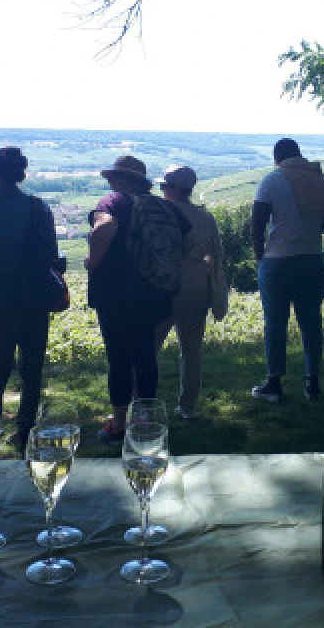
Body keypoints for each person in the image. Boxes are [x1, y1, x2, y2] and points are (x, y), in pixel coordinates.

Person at [0, 147, 62, 453]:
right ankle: (25, 430)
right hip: (35, 300)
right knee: (32, 368)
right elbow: (52, 255)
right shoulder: (39, 208)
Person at [87, 156, 189, 442]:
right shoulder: (164, 206)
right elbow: (186, 240)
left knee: (119, 358)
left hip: (116, 294)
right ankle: (145, 419)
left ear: (121, 179)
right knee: (145, 356)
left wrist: (93, 261)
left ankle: (119, 424)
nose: (109, 182)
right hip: (155, 293)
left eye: (113, 177)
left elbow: (104, 227)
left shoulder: (114, 201)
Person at [250, 138, 324, 403]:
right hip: (313, 258)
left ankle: (274, 383)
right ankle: (312, 383)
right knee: (311, 322)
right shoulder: (321, 180)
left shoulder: (271, 181)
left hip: (277, 260)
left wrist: (261, 259)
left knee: (276, 323)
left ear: (278, 157)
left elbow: (256, 226)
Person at [153, 165, 230, 419]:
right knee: (192, 348)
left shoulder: (163, 213)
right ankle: (188, 406)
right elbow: (215, 254)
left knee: (151, 345)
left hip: (168, 282)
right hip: (198, 281)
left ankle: (142, 402)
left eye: (164, 186)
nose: (162, 190)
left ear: (173, 189)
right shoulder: (204, 217)